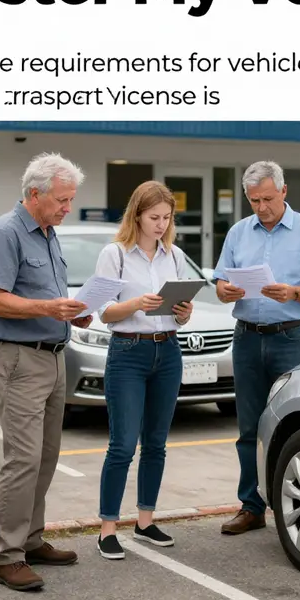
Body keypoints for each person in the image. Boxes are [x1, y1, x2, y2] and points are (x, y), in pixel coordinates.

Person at [0, 152, 91, 592]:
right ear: (34, 193)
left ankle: (30, 539)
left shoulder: (47, 232)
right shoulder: (6, 233)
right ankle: (7, 558)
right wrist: (47, 308)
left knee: (46, 456)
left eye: (70, 199)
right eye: (62, 200)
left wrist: (71, 313)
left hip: (53, 355)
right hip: (20, 360)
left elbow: (47, 294)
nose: (67, 208)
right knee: (23, 460)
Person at [211, 161, 300, 535]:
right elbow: (219, 285)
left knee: (295, 423)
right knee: (248, 427)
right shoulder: (238, 233)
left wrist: (293, 292)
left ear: (284, 191)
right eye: (254, 200)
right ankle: (251, 507)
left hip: (290, 338)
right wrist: (225, 291)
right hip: (247, 338)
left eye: (267, 198)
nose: (261, 207)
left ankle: (294, 503)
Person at [92, 181, 194, 560]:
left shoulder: (175, 255)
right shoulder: (114, 254)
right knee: (122, 445)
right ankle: (107, 529)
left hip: (168, 350)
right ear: (136, 215)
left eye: (166, 218)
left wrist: (184, 313)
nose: (161, 224)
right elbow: (104, 313)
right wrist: (135, 303)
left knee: (156, 443)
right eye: (154, 217)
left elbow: (180, 316)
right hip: (128, 352)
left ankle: (145, 522)